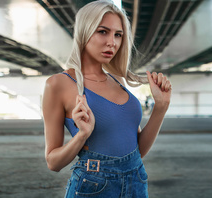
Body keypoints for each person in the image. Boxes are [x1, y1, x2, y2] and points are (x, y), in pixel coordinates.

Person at [42, 0, 172, 197]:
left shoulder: (118, 80)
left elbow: (138, 151)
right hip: (94, 185)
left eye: (118, 35)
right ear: (85, 32)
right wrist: (82, 135)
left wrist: (161, 107)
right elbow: (53, 162)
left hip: (136, 179)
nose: (112, 42)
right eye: (103, 31)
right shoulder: (58, 84)